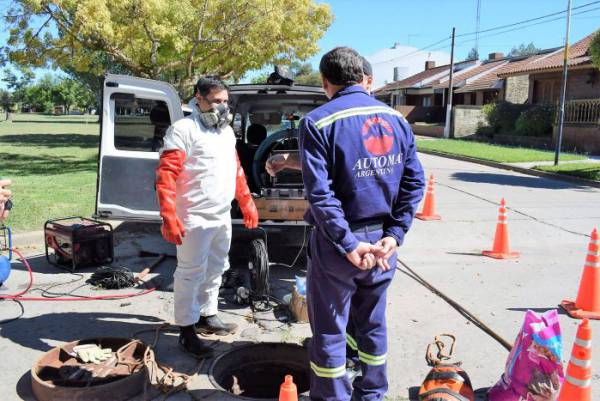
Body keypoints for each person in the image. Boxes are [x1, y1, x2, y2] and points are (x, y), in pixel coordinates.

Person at [300, 47, 425, 401]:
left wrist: (349, 244)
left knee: (329, 328)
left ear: (326, 82)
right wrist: (394, 235)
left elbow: (320, 195)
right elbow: (414, 182)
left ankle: (333, 396)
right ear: (364, 78)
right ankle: (372, 394)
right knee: (372, 323)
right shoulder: (398, 120)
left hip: (340, 246)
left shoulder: (318, 122)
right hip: (383, 246)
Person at [155, 76, 259, 358]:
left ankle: (207, 314)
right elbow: (166, 176)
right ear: (198, 99)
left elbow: (235, 169)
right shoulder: (183, 130)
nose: (222, 107)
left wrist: (246, 202)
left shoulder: (225, 132)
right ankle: (186, 331)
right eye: (216, 101)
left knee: (217, 267)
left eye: (226, 101)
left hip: (221, 215)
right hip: (193, 217)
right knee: (190, 274)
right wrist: (169, 216)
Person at [266, 56, 374, 177]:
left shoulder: (316, 122)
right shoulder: (393, 118)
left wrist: (287, 160)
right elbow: (326, 160)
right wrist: (287, 160)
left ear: (325, 82)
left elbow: (323, 166)